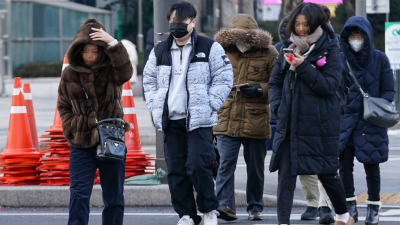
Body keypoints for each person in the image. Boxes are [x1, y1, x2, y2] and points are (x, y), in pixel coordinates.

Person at [142, 2, 233, 225]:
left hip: (199, 121)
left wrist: (211, 103)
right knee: (176, 171)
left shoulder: (209, 47)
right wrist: (155, 107)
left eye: (181, 22)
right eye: (173, 21)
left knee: (199, 166)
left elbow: (224, 77)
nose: (176, 26)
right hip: (170, 121)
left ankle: (208, 210)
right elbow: (149, 80)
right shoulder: (160, 50)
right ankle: (186, 214)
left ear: (193, 22)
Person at [268, 3, 354, 225]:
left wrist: (303, 67)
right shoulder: (288, 47)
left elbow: (329, 86)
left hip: (320, 125)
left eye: (306, 24)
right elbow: (275, 81)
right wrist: (277, 107)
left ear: (316, 23)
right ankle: (283, 222)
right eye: (297, 24)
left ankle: (343, 215)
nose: (301, 28)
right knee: (285, 176)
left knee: (326, 174)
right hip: (290, 123)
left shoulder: (330, 47)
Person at [57, 18, 133, 225]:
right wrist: (73, 127)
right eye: (85, 51)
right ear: (78, 50)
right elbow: (63, 106)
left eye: (95, 51)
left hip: (112, 140)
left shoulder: (112, 70)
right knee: (79, 194)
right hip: (81, 144)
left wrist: (113, 43)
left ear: (101, 51)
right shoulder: (69, 74)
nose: (90, 56)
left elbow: (127, 72)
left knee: (114, 198)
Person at [212, 14, 278, 221]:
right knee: (225, 164)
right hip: (227, 115)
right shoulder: (220, 50)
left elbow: (277, 84)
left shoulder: (268, 52)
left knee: (256, 167)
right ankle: (225, 205)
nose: (241, 40)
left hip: (255, 116)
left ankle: (255, 206)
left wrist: (260, 89)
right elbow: (209, 79)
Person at [339, 16, 395, 225]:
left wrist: (374, 106)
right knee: (344, 165)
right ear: (346, 37)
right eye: (352, 35)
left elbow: (389, 90)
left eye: (359, 35)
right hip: (345, 122)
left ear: (367, 36)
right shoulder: (340, 58)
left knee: (372, 166)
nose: (355, 39)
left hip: (371, 121)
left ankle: (374, 207)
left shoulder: (380, 58)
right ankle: (350, 205)